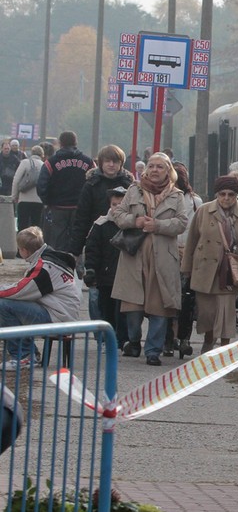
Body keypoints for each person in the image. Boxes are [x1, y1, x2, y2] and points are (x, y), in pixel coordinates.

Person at [110, 153, 188, 366]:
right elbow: (118, 215)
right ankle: (134, 342)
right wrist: (135, 221)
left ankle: (153, 350)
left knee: (160, 307)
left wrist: (159, 226)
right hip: (134, 256)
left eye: (160, 167)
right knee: (133, 306)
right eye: (151, 166)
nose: (154, 170)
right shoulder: (133, 190)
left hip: (163, 258)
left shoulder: (176, 195)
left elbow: (182, 223)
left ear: (168, 171)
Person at [181, 176, 238, 354]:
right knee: (207, 313)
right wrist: (186, 268)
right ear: (217, 194)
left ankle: (225, 347)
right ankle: (209, 339)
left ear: (237, 195)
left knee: (227, 312)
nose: (226, 198)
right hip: (204, 271)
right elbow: (192, 241)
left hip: (229, 272)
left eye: (231, 194)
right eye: (222, 194)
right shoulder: (204, 211)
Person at [0, 227, 80, 366]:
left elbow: (21, 291)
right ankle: (23, 351)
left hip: (58, 317)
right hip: (62, 313)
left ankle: (25, 354)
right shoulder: (48, 260)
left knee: (3, 306)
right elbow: (24, 288)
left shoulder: (44, 267)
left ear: (24, 250)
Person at [83, 187, 131, 351]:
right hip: (106, 275)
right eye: (114, 204)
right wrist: (91, 269)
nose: (116, 207)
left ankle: (123, 339)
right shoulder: (101, 224)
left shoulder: (131, 224)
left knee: (124, 311)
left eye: (120, 204)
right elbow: (92, 249)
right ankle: (107, 340)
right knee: (106, 310)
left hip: (125, 275)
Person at [67, 145, 134, 258]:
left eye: (115, 161)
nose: (111, 165)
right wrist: (75, 249)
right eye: (107, 161)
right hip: (96, 238)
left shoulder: (129, 186)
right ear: (101, 163)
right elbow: (82, 217)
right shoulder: (91, 185)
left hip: (122, 240)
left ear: (121, 164)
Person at [37, 131, 94, 251]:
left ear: (60, 143)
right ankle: (76, 266)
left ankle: (58, 265)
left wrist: (48, 202)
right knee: (78, 240)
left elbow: (42, 185)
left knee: (57, 241)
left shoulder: (50, 162)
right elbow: (95, 181)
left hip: (57, 207)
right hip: (80, 208)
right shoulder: (88, 162)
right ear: (75, 142)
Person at [169, 163, 203, 358]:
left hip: (189, 257)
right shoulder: (162, 199)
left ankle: (183, 339)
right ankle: (171, 338)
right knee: (170, 300)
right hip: (169, 254)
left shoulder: (196, 202)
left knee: (186, 300)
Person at [10, 145, 43, 231]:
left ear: (31, 153)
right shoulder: (44, 165)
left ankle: (21, 243)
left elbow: (16, 180)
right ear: (42, 154)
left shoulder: (25, 162)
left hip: (24, 200)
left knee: (22, 226)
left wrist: (14, 196)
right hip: (39, 201)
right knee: (35, 228)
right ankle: (34, 244)